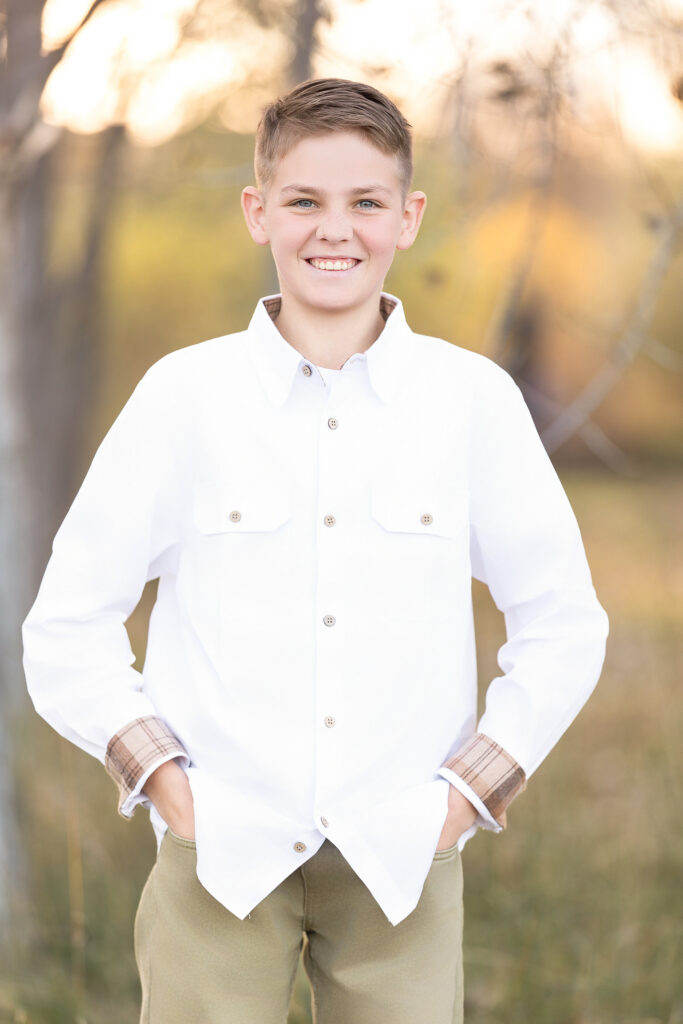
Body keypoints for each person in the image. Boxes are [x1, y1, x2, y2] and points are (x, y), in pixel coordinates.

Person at [22, 77, 608, 1024]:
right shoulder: (183, 397)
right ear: (258, 211)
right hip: (219, 853)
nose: (335, 230)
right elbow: (66, 624)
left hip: (404, 855)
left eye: (365, 202)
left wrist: (462, 799)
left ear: (408, 218)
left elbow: (562, 624)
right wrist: (169, 787)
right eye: (303, 200)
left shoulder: (471, 401)